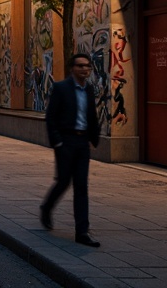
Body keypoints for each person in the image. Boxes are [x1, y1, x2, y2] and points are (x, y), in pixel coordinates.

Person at [41, 52, 102, 247]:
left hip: (82, 143)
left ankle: (82, 231)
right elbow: (50, 117)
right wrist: (57, 142)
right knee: (64, 181)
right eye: (80, 66)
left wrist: (94, 138)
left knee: (81, 187)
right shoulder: (61, 88)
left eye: (87, 66)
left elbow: (92, 115)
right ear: (72, 69)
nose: (85, 69)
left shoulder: (90, 89)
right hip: (65, 142)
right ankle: (47, 207)